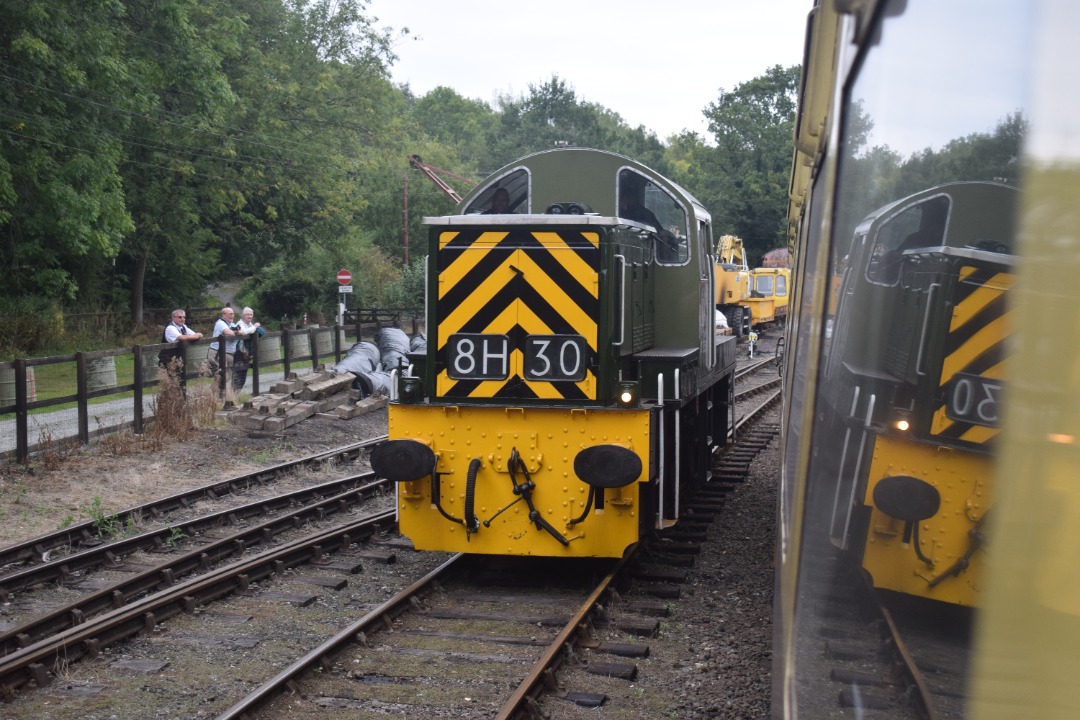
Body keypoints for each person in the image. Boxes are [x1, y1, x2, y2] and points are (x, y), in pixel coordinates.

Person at [157, 309, 203, 376]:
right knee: (170, 382)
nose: (182, 319)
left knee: (179, 380)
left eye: (184, 317)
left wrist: (197, 335)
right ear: (173, 318)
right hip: (167, 360)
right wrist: (196, 336)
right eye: (180, 317)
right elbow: (182, 337)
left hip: (178, 359)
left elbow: (195, 334)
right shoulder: (170, 328)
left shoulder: (183, 327)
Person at [206, 307, 239, 389]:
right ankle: (213, 396)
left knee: (226, 376)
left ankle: (218, 396)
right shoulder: (220, 323)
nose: (232, 316)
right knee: (221, 376)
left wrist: (237, 331)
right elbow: (229, 333)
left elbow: (241, 331)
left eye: (233, 314)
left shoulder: (231, 324)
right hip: (219, 353)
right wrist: (236, 332)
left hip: (228, 353)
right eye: (230, 314)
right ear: (223, 315)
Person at [232, 307, 264, 392]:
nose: (249, 316)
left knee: (243, 375)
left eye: (251, 315)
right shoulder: (240, 323)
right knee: (237, 375)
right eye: (247, 314)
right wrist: (254, 327)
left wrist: (254, 328)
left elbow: (261, 332)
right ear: (243, 315)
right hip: (238, 353)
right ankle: (232, 394)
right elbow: (244, 332)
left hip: (246, 354)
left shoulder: (249, 325)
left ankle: (236, 394)